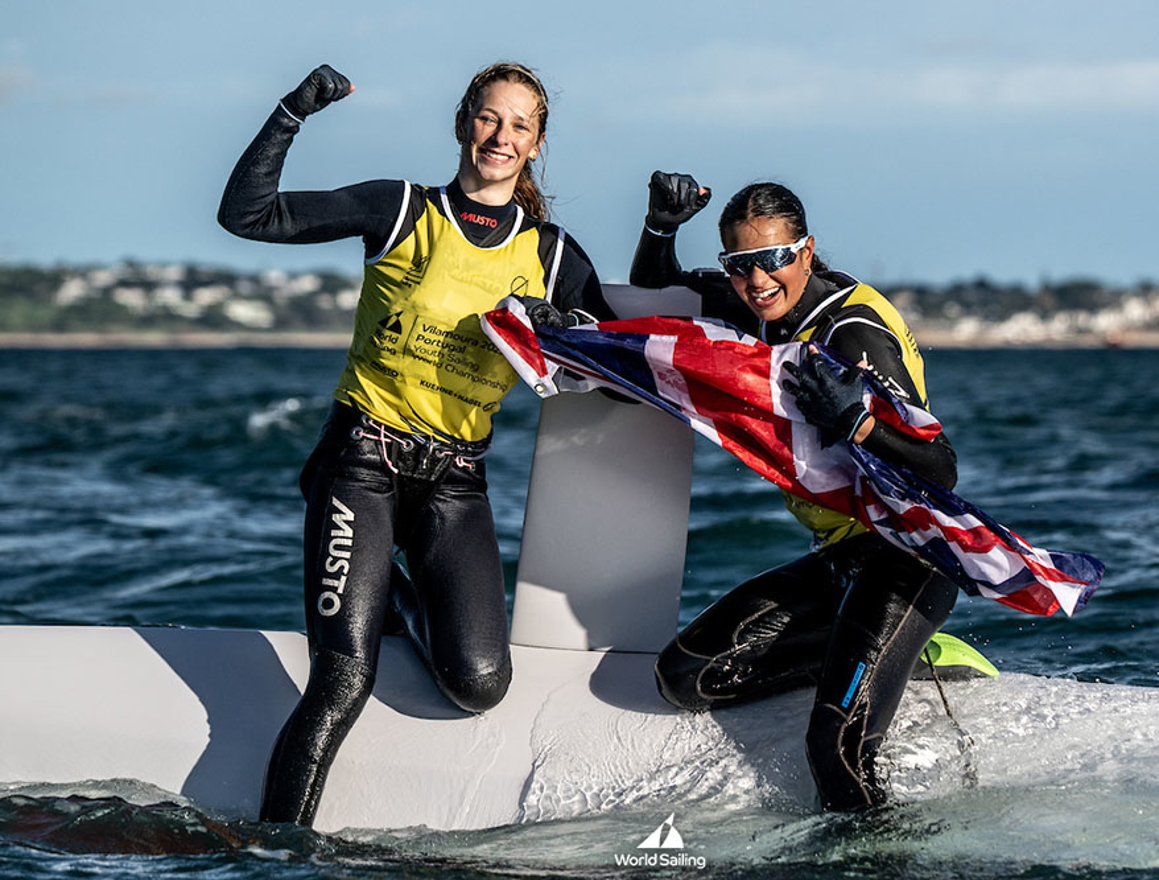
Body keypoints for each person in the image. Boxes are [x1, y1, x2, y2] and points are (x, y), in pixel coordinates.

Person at [217, 63, 611, 826]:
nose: (501, 137)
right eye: (489, 119)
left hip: (456, 482)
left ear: (536, 146)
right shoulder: (401, 209)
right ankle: (275, 854)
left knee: (480, 682)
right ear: (465, 121)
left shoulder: (555, 258)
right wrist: (292, 111)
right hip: (360, 462)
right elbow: (248, 215)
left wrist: (573, 330)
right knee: (344, 680)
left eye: (519, 126)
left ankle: (382, 588)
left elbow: (620, 364)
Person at [630, 172, 960, 811]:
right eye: (740, 265)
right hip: (838, 560)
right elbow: (656, 293)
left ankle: (882, 859)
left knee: (834, 751)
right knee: (685, 676)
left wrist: (858, 422)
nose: (757, 281)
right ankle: (867, 655)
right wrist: (659, 229)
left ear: (805, 251)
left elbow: (940, 471)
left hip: (906, 558)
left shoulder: (851, 335)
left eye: (774, 259)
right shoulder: (765, 308)